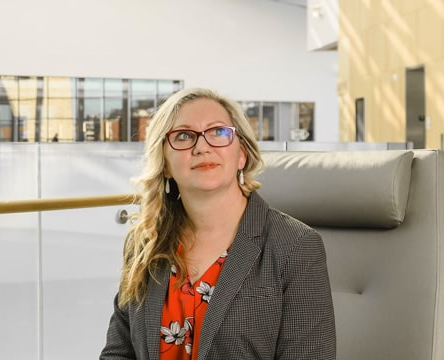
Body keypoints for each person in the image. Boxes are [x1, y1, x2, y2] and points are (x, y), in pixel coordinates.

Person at [100, 87, 335, 359]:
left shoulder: (295, 247)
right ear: (165, 163)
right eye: (184, 136)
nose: (202, 147)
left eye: (218, 132)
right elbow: (118, 352)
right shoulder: (145, 243)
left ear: (242, 154)